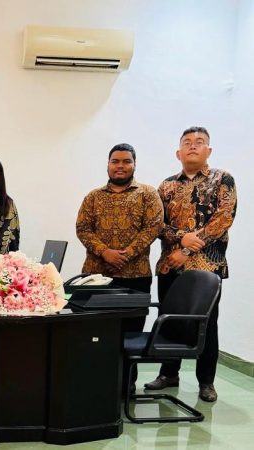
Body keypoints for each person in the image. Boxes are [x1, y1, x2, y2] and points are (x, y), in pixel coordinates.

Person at [144, 126, 237, 402]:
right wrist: (180, 238)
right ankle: (168, 373)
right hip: (170, 265)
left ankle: (206, 382)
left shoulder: (223, 179)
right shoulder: (166, 186)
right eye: (187, 142)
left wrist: (186, 247)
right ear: (178, 153)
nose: (193, 146)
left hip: (207, 268)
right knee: (168, 319)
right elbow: (157, 224)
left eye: (199, 142)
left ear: (209, 150)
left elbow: (224, 218)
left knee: (206, 324)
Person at [76, 143, 163, 392]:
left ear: (134, 164)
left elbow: (153, 227)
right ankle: (96, 385)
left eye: (126, 161)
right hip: (96, 277)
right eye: (115, 161)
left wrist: (126, 255)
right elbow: (83, 229)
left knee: (130, 334)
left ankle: (126, 385)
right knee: (96, 333)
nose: (120, 166)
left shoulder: (147, 194)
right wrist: (105, 252)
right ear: (108, 164)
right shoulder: (93, 197)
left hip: (135, 277)